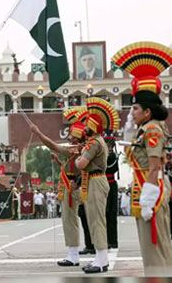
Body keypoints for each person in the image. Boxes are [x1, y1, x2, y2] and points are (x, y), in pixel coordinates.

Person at [112, 41, 172, 275]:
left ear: (147, 111)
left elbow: (155, 166)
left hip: (151, 189)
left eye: (135, 108)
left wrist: (148, 199)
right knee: (155, 248)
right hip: (147, 186)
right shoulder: (147, 128)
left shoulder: (153, 130)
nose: (131, 113)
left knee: (154, 250)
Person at [31, 106, 86, 267]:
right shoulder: (78, 149)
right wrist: (59, 163)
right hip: (71, 186)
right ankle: (74, 253)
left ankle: (73, 255)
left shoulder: (76, 149)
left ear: (77, 138)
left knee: (70, 221)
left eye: (72, 136)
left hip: (72, 188)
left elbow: (52, 145)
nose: (69, 139)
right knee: (70, 220)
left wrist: (37, 133)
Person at [75, 97, 119, 273]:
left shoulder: (93, 143)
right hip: (94, 180)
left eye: (87, 124)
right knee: (95, 220)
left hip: (95, 180)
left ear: (92, 126)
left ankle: (101, 261)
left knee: (97, 221)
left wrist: (79, 157)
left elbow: (81, 164)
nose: (84, 127)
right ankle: (99, 258)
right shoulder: (97, 141)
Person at [104, 130, 119, 249]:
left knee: (111, 213)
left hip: (110, 184)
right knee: (105, 213)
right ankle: (107, 239)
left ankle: (112, 240)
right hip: (105, 184)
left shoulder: (112, 155)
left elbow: (107, 168)